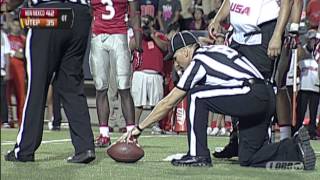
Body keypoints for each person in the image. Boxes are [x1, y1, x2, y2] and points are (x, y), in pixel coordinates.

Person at [120, 31, 316, 169]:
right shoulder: (219, 50)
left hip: (252, 94)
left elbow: (169, 101)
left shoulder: (199, 60)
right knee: (249, 157)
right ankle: (295, 147)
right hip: (264, 95)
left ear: (186, 51)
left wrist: (138, 128)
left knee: (195, 95)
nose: (176, 63)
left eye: (176, 57)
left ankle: (198, 155)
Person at [3, 0, 95, 163]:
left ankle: (24, 150)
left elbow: (12, 3)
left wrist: (6, 6)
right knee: (71, 84)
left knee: (37, 85)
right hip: (81, 14)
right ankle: (85, 147)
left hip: (49, 12)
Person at [207, 0, 302, 158]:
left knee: (263, 88)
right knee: (236, 87)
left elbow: (289, 2)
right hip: (238, 35)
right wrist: (217, 19)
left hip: (263, 33)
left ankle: (266, 142)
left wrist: (279, 34)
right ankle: (236, 139)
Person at [89, 0, 142, 147]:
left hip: (119, 35)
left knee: (124, 87)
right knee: (100, 88)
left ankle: (131, 133)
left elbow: (135, 15)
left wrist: (138, 46)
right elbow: (88, 12)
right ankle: (104, 134)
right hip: (98, 37)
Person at [129, 15, 168, 131]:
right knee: (137, 102)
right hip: (140, 72)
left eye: (147, 22)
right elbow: (130, 46)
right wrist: (139, 33)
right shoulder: (137, 36)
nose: (145, 24)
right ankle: (134, 125)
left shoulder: (159, 35)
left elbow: (165, 47)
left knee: (156, 102)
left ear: (152, 23)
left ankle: (155, 125)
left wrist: (152, 34)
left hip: (156, 73)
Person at [295, 29, 320, 140]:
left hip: (315, 87)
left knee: (313, 113)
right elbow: (298, 66)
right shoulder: (303, 52)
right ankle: (297, 130)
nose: (313, 43)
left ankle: (312, 132)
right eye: (311, 40)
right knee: (300, 110)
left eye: (315, 40)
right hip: (304, 86)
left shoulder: (318, 54)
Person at [6, 18, 26, 128]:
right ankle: (8, 120)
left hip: (19, 69)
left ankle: (21, 121)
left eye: (18, 26)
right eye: (14, 25)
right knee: (6, 95)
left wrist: (13, 53)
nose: (16, 27)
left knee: (21, 95)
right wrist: (14, 53)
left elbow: (23, 55)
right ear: (11, 26)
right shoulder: (6, 38)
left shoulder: (23, 39)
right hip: (9, 68)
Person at [1, 28, 11, 128]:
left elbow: (7, 54)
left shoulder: (3, 36)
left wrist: (7, 71)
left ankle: (4, 121)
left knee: (3, 97)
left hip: (1, 71)